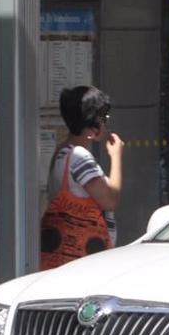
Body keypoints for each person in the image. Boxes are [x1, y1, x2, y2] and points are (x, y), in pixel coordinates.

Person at [40, 85, 123, 270]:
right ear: (93, 124)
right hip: (84, 260)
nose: (106, 124)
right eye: (104, 118)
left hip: (65, 257)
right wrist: (116, 156)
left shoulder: (62, 151)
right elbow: (110, 201)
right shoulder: (79, 157)